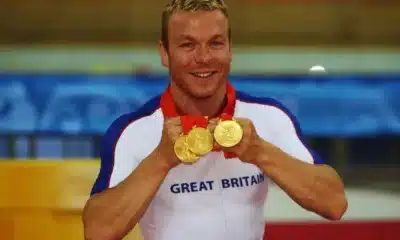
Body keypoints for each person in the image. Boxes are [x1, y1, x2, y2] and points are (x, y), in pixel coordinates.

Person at [82, 0, 348, 239]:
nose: (204, 58)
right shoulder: (134, 130)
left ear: (230, 48)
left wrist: (260, 151)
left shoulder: (268, 117)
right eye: (188, 45)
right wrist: (160, 160)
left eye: (215, 43)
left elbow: (334, 203)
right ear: (164, 53)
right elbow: (97, 231)